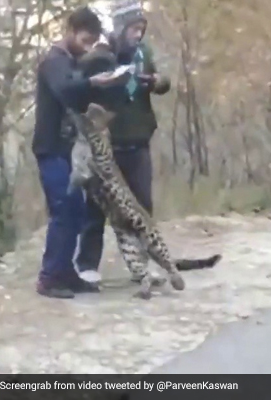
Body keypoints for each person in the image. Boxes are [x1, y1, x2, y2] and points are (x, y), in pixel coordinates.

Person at [74, 0, 171, 285]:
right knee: (97, 207)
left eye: (141, 28)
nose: (138, 34)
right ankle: (87, 265)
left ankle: (143, 265)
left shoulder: (143, 53)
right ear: (120, 27)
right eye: (133, 29)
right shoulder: (100, 54)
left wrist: (156, 82)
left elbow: (163, 80)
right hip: (107, 145)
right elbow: (82, 85)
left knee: (141, 207)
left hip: (138, 139)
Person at [32, 6, 126, 299]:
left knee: (76, 209)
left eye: (92, 42)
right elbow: (66, 89)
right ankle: (49, 277)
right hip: (51, 148)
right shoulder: (54, 61)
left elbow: (82, 96)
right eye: (85, 40)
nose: (88, 47)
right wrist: (92, 82)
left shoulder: (73, 62)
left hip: (68, 148)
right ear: (71, 32)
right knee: (63, 209)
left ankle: (65, 272)